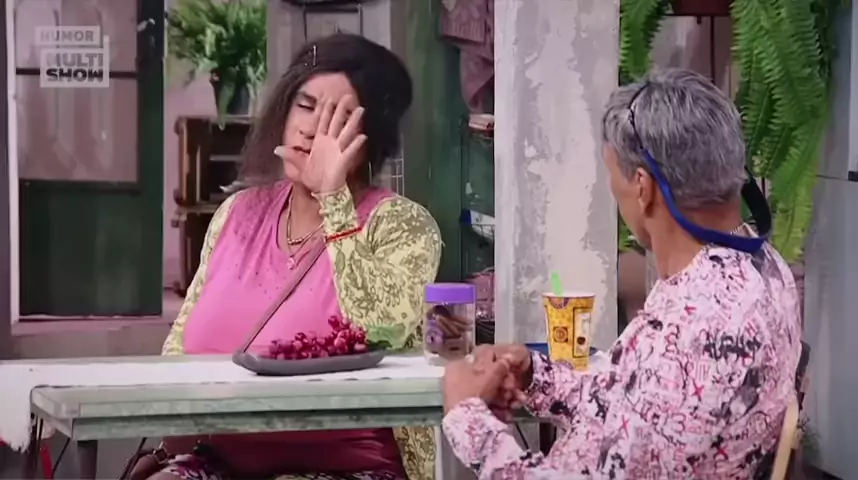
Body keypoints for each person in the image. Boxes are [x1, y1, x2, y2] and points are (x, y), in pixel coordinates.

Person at [441, 68, 802, 479]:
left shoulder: (692, 332)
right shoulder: (759, 268)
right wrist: (537, 377)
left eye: (613, 178)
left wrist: (468, 418)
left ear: (643, 187)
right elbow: (641, 407)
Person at [150, 34, 442, 480]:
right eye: (305, 106)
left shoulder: (403, 226)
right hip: (221, 461)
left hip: (351, 468)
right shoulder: (238, 213)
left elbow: (378, 326)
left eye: (336, 118)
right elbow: (179, 343)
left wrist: (334, 199)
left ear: (370, 138)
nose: (310, 129)